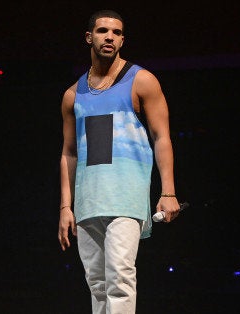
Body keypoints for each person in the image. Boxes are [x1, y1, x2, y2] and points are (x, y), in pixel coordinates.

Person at [57, 9, 181, 313]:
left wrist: (168, 192)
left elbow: (161, 137)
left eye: (116, 32)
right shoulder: (73, 94)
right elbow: (69, 152)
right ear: (89, 37)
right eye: (102, 31)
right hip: (88, 201)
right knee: (97, 282)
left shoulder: (141, 81)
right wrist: (65, 206)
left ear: (122, 40)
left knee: (120, 277)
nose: (109, 36)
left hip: (125, 196)